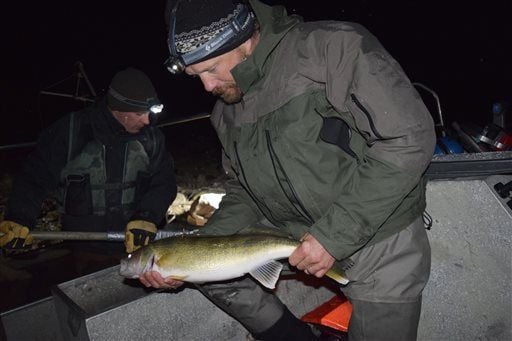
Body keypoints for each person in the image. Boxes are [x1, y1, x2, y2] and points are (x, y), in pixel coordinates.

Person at [142, 1, 436, 340]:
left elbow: (408, 138)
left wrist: (331, 236)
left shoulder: (331, 48)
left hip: (377, 230)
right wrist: (189, 256)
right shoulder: (226, 113)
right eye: (197, 77)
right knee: (211, 277)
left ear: (243, 39)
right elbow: (242, 191)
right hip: (289, 232)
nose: (207, 87)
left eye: (211, 69)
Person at [0, 67, 177, 273]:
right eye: (139, 113)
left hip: (139, 245)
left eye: (149, 113)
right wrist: (19, 217)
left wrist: (147, 216)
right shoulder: (70, 131)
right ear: (118, 110)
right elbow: (33, 178)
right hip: (83, 248)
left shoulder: (152, 138)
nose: (147, 121)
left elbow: (164, 181)